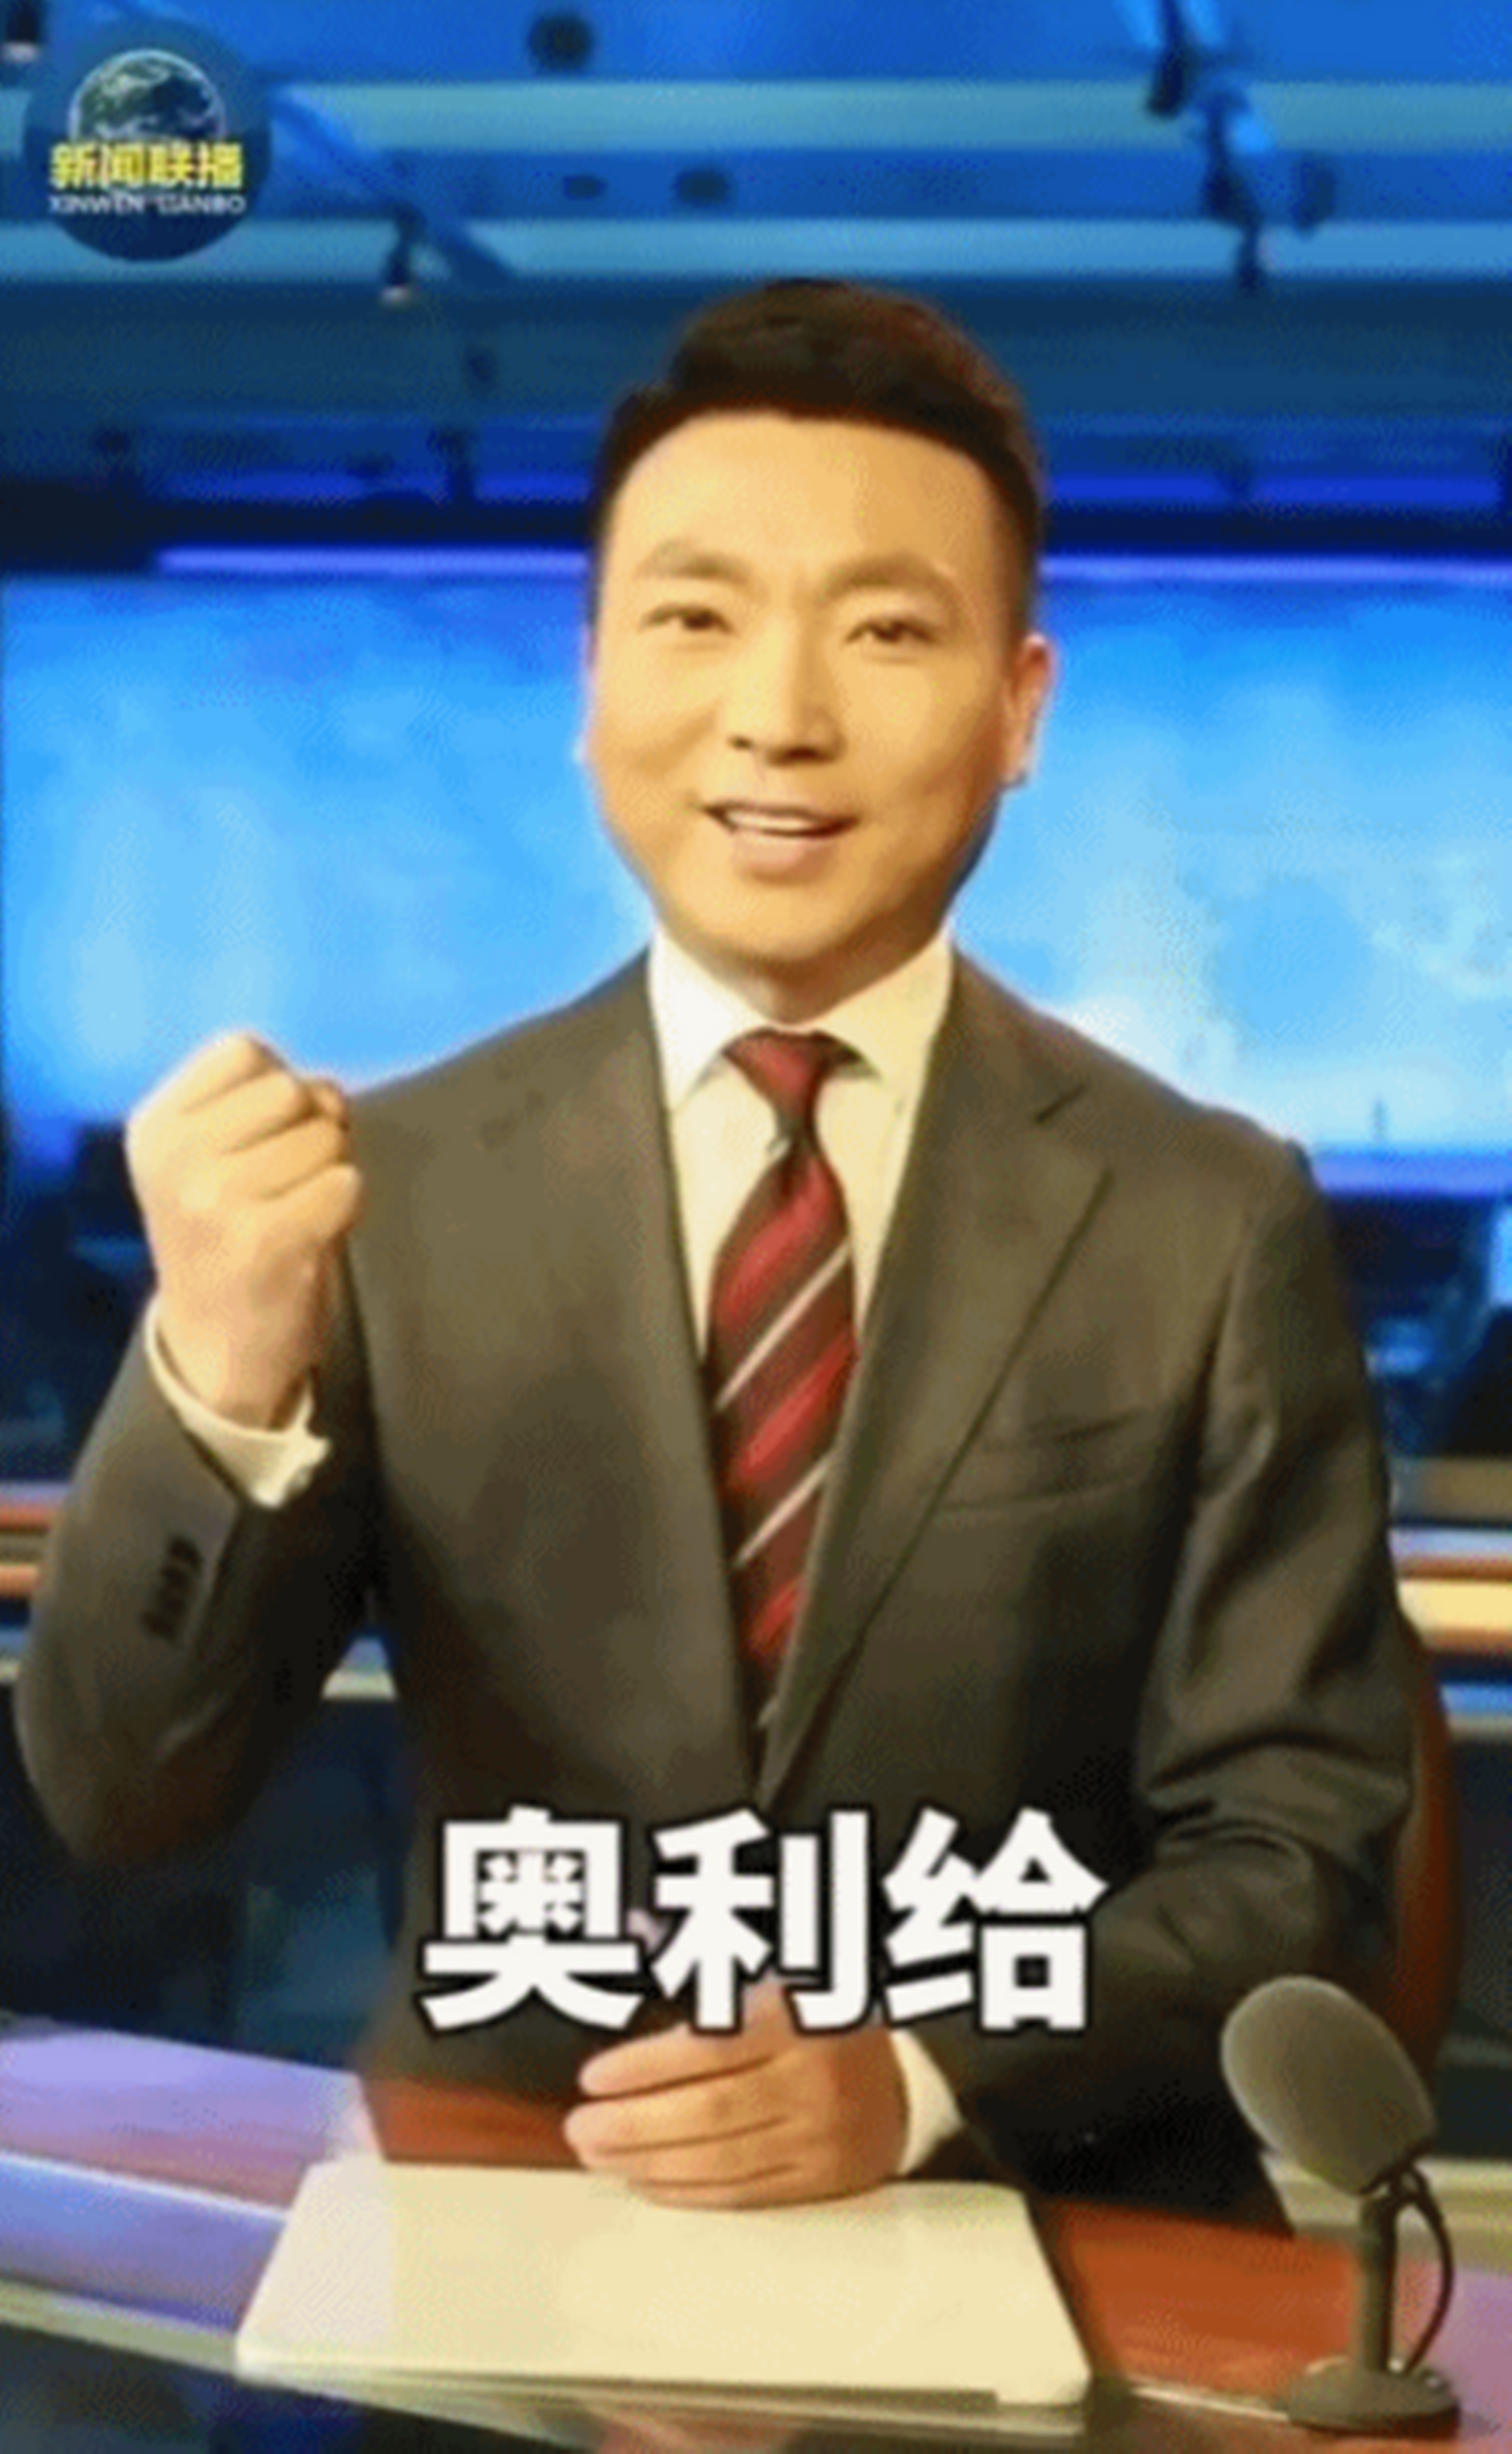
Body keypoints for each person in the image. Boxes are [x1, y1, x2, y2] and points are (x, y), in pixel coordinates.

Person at [17, 279, 1413, 2217]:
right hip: (509, 2199)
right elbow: (123, 1793)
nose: (780, 714)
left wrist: (913, 2073)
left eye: (885, 629)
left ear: (1019, 707)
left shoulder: (1207, 1212)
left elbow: (1298, 1854)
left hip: (1032, 2216)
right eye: (695, 617)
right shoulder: (387, 1185)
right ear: (590, 676)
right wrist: (221, 1372)